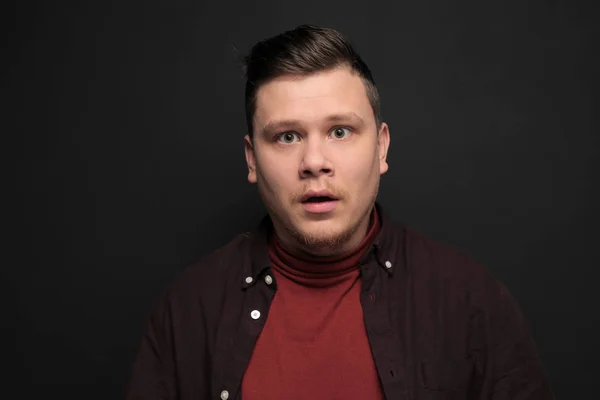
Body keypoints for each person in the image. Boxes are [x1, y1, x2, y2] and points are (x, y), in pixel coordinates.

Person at [125, 25, 553, 400]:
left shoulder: (472, 304)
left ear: (382, 147)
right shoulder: (186, 311)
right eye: (287, 136)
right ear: (252, 159)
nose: (315, 161)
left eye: (340, 131)